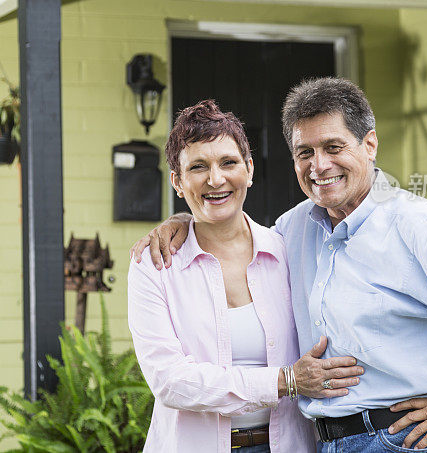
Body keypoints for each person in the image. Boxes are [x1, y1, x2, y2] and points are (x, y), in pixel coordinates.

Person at [131, 78, 427, 452]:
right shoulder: (294, 231)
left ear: (369, 145)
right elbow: (224, 226)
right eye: (305, 152)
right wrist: (183, 220)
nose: (319, 166)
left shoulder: (415, 225)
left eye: (334, 147)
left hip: (411, 439)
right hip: (331, 441)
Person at [128, 100, 365, 453]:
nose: (216, 179)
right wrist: (285, 381)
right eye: (198, 167)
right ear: (178, 182)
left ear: (249, 169)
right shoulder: (156, 265)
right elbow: (170, 382)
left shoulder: (289, 250)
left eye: (228, 162)